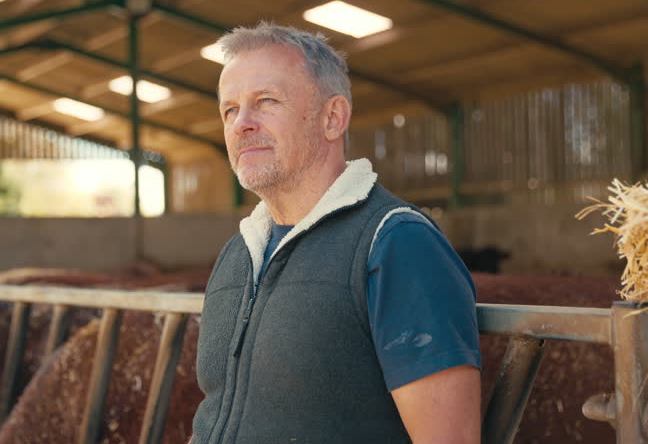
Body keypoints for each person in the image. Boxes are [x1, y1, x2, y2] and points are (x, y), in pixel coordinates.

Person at [190, 22, 481, 444]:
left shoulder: (396, 242)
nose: (241, 124)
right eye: (230, 110)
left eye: (265, 101)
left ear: (333, 118)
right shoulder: (240, 252)